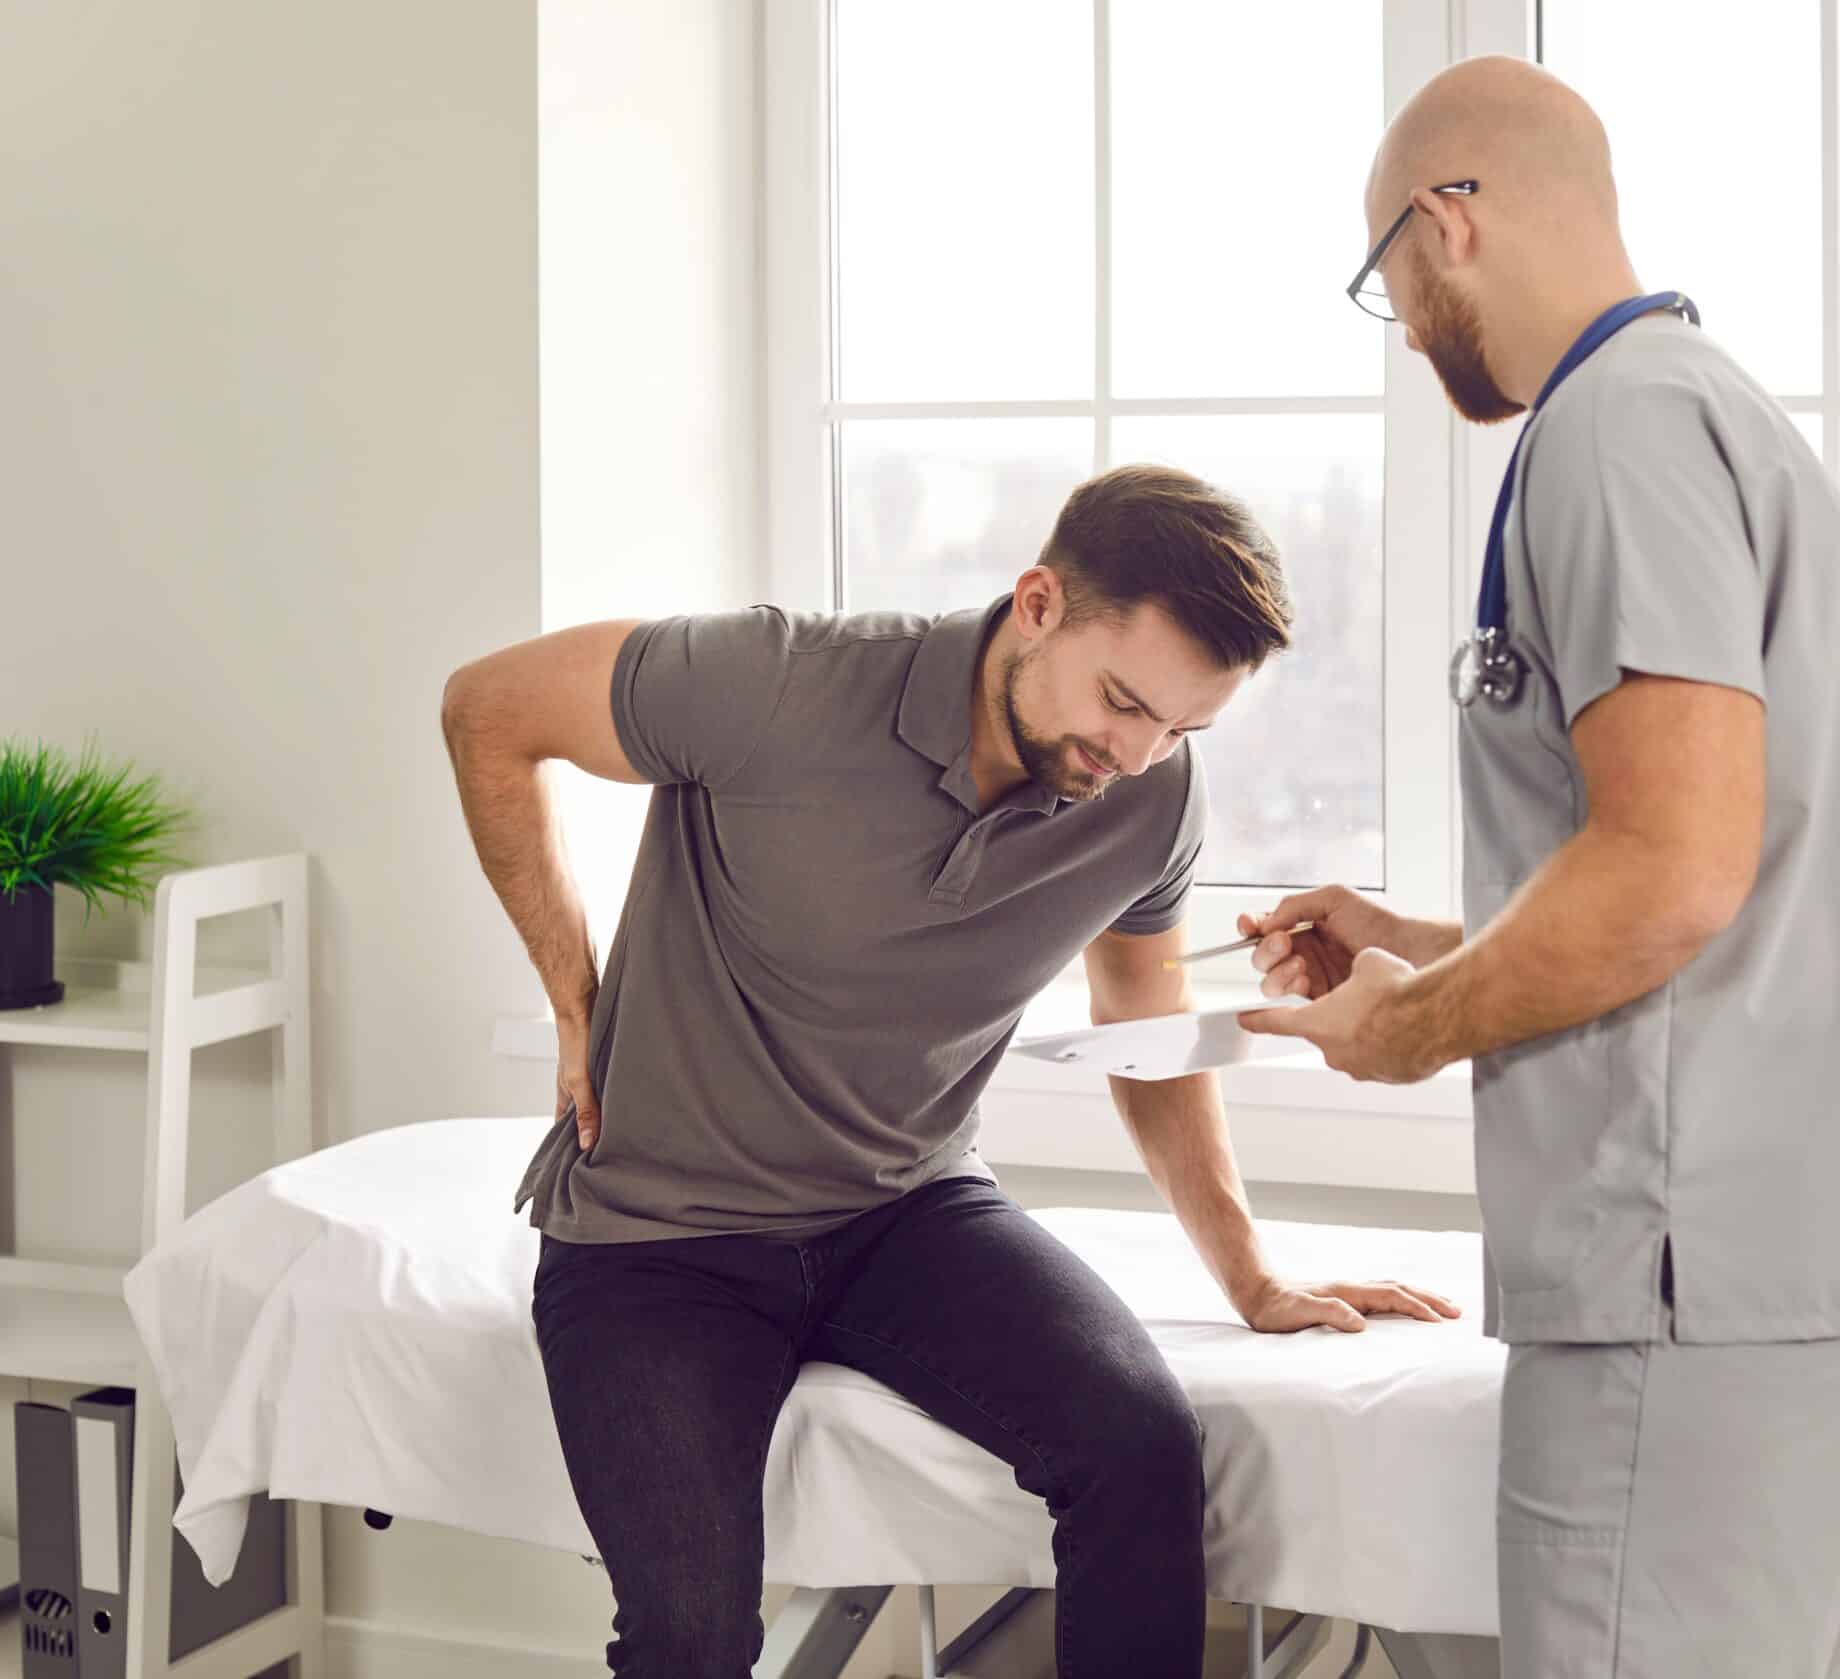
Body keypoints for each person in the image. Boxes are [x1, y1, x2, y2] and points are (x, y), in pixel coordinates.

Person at [441, 463, 1459, 1679]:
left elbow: (1145, 1022)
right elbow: (486, 708)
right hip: (658, 1238)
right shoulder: (773, 680)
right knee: (689, 1635)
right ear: (1036, 603)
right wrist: (574, 994)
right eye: (1124, 701)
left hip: (904, 1210)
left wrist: (1250, 1273)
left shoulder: (1148, 799)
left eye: (1181, 728)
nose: (1136, 753)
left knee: (1139, 1447)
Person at [1239, 55, 1840, 1679]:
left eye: (1389, 278)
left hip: (1686, 1267)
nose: (1408, 317)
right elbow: (1735, 872)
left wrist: (1409, 1023)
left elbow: (1667, 877)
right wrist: (1415, 939)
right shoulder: (1719, 413)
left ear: (1449, 224)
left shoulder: (1614, 431)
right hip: (1800, 1245)